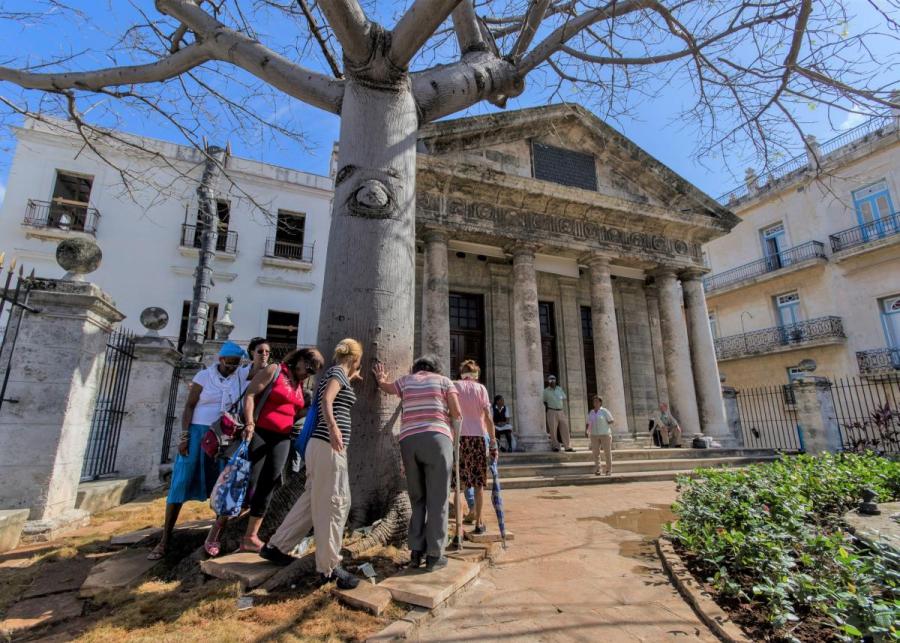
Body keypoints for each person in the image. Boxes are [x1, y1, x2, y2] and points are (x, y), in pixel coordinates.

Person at [259, 339, 362, 591]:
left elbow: (332, 396)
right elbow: (327, 401)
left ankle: (277, 546)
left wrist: (352, 378)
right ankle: (329, 568)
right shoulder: (337, 372)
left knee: (310, 500)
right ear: (355, 358)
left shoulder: (336, 373)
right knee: (334, 502)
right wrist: (334, 428)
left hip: (319, 446)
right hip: (328, 445)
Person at [204, 346, 324, 556]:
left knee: (269, 484)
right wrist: (250, 423)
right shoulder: (275, 370)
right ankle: (215, 532)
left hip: (282, 438)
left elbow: (294, 410)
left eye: (313, 371)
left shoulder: (299, 384)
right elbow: (250, 395)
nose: (309, 373)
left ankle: (250, 537)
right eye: (309, 367)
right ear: (300, 359)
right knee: (245, 483)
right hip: (259, 432)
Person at [147, 342, 245, 560]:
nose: (233, 367)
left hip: (224, 435)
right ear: (221, 360)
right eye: (230, 363)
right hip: (199, 432)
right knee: (181, 481)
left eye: (237, 364)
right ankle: (165, 539)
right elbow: (189, 406)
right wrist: (184, 436)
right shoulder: (203, 376)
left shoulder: (239, 377)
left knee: (223, 483)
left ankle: (215, 535)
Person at [373, 355, 461, 572]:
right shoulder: (444, 381)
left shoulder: (406, 381)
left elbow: (387, 387)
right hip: (437, 439)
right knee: (438, 501)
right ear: (436, 368)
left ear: (416, 368)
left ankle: (415, 552)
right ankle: (434, 555)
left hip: (409, 441)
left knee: (418, 499)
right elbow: (457, 413)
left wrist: (380, 378)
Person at [452, 361, 497, 535]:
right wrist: (492, 441)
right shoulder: (481, 390)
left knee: (459, 485)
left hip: (460, 439)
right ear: (476, 374)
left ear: (461, 373)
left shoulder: (455, 386)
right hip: (478, 439)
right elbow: (488, 417)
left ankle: (458, 527)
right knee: (478, 484)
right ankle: (478, 522)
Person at [543, 375, 574, 452]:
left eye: (553, 379)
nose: (552, 381)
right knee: (553, 430)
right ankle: (555, 446)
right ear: (548, 381)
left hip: (561, 411)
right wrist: (549, 409)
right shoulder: (546, 391)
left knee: (565, 428)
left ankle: (567, 446)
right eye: (550, 379)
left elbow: (564, 397)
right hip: (551, 411)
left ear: (555, 380)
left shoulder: (559, 389)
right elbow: (544, 401)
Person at [585, 395, 615, 476]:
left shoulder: (604, 411)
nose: (595, 403)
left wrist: (605, 425)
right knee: (596, 453)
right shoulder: (591, 412)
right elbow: (588, 422)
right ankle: (598, 469)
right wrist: (587, 431)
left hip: (605, 434)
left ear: (600, 402)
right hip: (594, 435)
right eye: (594, 401)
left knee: (607, 452)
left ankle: (608, 470)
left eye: (597, 401)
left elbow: (611, 420)